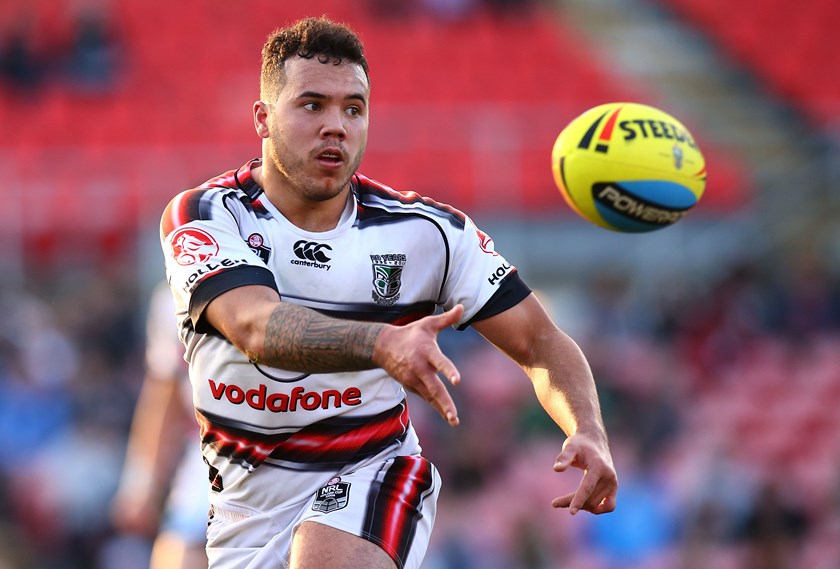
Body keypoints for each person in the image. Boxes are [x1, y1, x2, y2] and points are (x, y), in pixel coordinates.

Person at [159, 16, 617, 569]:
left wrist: (587, 430)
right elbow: (256, 326)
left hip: (373, 469)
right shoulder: (208, 214)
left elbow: (540, 341)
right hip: (244, 509)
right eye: (312, 105)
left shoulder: (427, 232)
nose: (336, 126)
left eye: (354, 109)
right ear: (262, 118)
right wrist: (382, 343)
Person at [111, 281, 209, 569]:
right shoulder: (176, 290)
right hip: (212, 453)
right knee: (178, 555)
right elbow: (164, 389)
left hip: (306, 450)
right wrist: (141, 482)